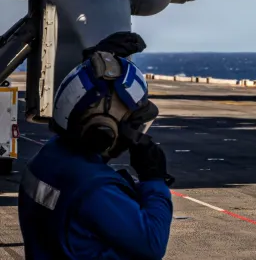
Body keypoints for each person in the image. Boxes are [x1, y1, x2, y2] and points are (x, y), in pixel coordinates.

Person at [18, 32, 174, 260]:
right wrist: (154, 181)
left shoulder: (51, 156)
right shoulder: (95, 189)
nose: (136, 136)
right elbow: (152, 244)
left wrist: (95, 65)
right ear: (104, 132)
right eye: (135, 125)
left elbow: (82, 104)